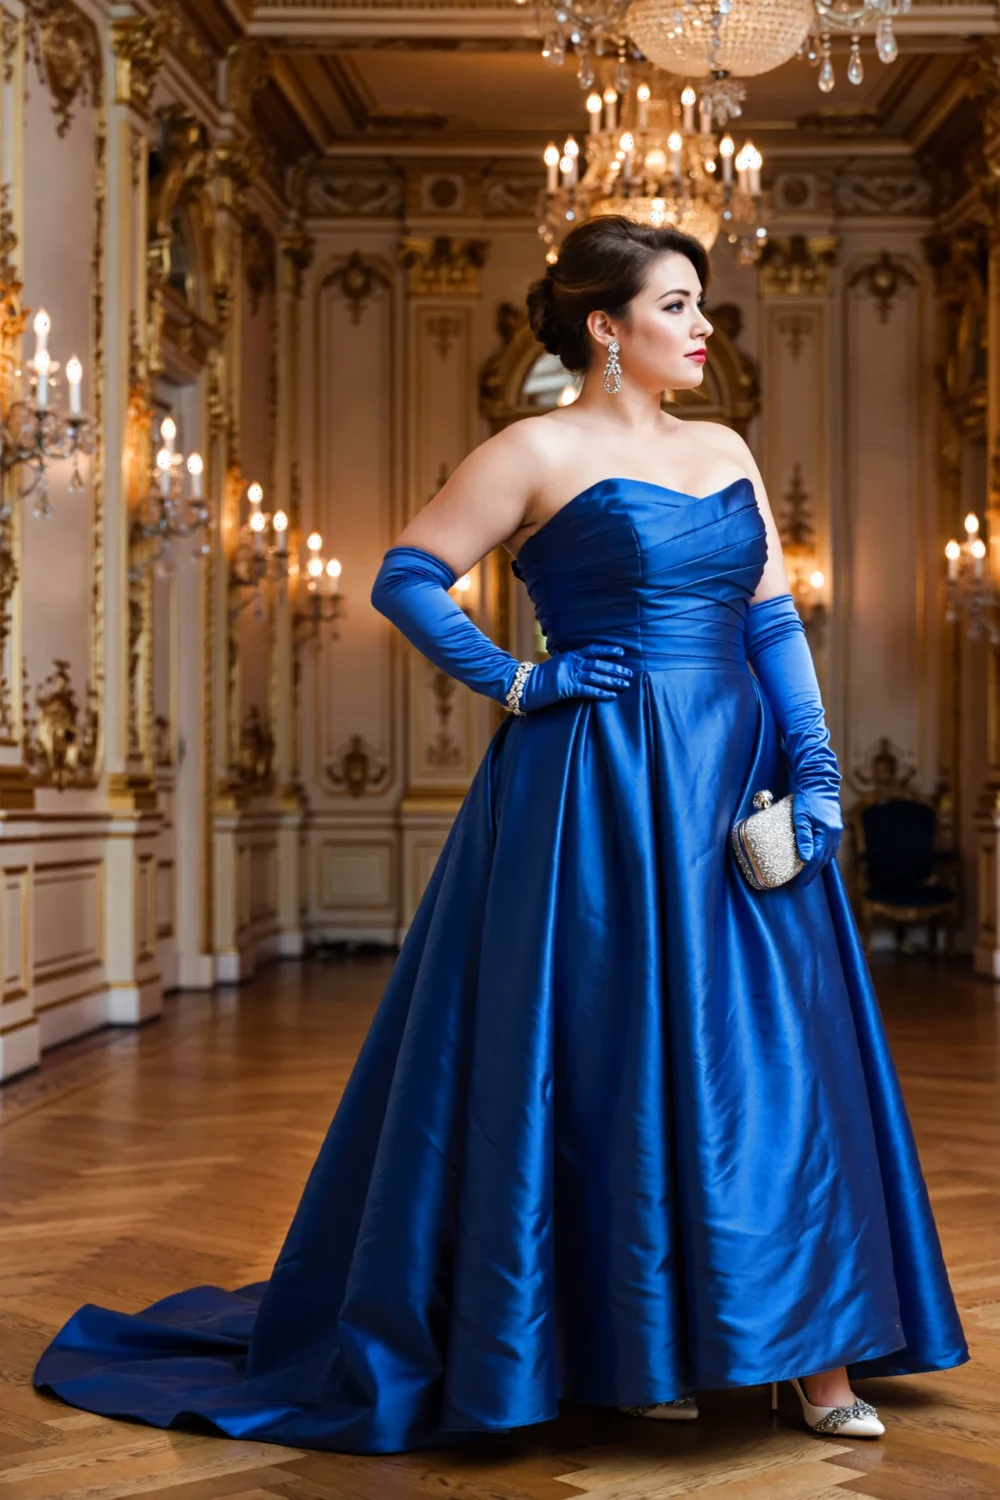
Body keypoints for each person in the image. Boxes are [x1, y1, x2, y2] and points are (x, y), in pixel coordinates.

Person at [33, 214, 968, 1453]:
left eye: (702, 305)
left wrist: (816, 772)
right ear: (605, 325)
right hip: (596, 780)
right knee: (603, 1047)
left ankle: (808, 1352)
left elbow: (772, 625)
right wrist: (521, 684)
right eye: (678, 304)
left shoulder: (726, 447)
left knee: (771, 1054)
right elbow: (406, 575)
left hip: (732, 775)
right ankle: (634, 1343)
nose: (702, 327)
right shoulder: (533, 448)